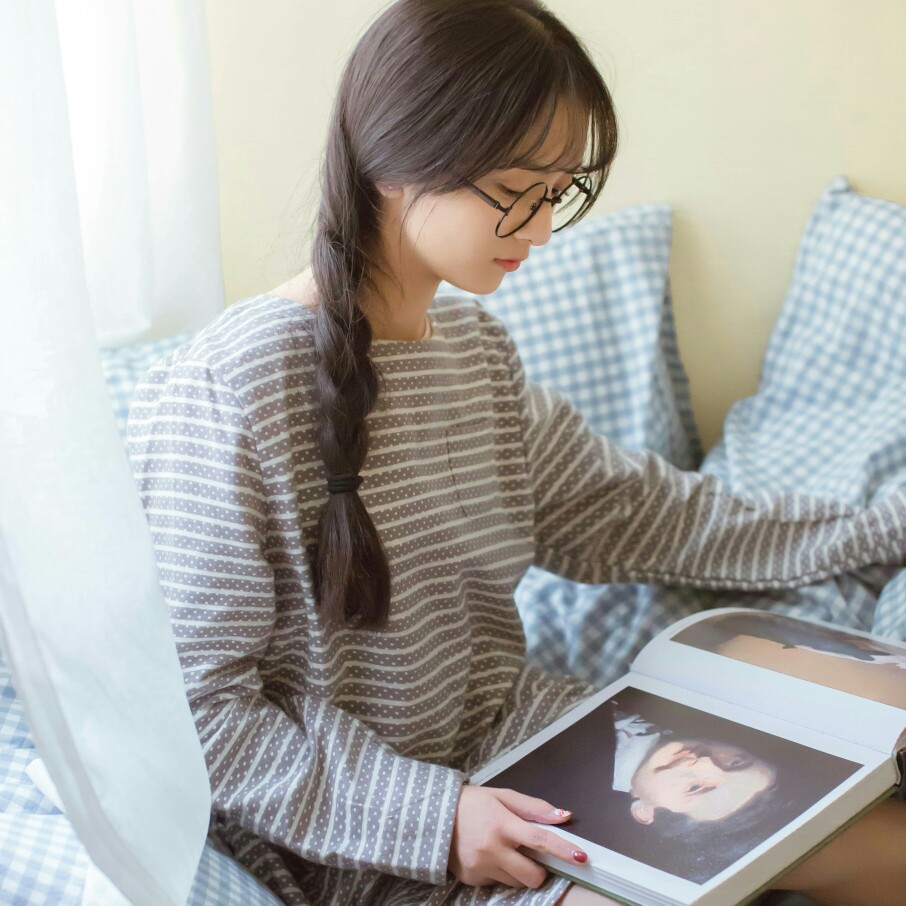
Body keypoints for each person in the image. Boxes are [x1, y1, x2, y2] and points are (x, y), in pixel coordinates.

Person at [126, 1, 906, 903]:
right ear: (397, 158)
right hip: (362, 831)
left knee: (872, 828)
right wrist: (435, 818)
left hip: (529, 750)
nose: (541, 230)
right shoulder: (224, 392)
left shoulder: (475, 353)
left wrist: (881, 530)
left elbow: (646, 515)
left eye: (560, 193)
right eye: (517, 191)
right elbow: (197, 715)